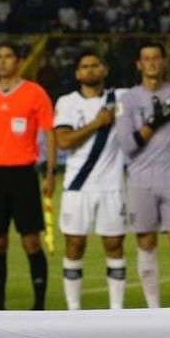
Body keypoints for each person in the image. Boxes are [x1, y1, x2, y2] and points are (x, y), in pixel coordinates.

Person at [0, 42, 56, 310]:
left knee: (30, 241)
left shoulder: (34, 93)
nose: (2, 62)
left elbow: (49, 134)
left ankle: (39, 306)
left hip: (24, 175)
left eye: (8, 57)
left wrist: (50, 172)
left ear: (19, 61)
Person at [114, 42, 170, 308]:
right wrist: (156, 121)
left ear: (163, 62)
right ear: (139, 64)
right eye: (146, 59)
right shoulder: (128, 100)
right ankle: (154, 309)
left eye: (156, 58)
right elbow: (127, 145)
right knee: (146, 243)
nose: (151, 63)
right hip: (140, 179)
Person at [54, 52, 126, 310]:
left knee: (115, 245)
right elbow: (63, 141)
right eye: (84, 66)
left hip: (112, 186)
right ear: (77, 74)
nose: (90, 70)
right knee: (74, 244)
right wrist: (97, 123)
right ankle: (74, 310)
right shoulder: (67, 102)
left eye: (95, 65)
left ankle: (117, 310)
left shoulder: (120, 99)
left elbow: (153, 91)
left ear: (104, 69)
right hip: (78, 186)